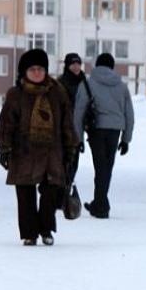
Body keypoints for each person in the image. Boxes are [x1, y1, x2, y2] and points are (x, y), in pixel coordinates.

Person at [0, 49, 78, 246]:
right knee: (25, 195)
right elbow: (6, 123)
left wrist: (71, 146)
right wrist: (4, 147)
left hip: (52, 151)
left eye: (40, 69)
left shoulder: (57, 92)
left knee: (50, 194)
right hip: (24, 151)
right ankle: (29, 233)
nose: (37, 73)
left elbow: (67, 121)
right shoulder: (16, 94)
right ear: (24, 71)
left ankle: (46, 229)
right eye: (32, 69)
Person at [73, 53, 134, 219]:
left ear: (96, 65)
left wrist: (78, 138)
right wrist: (126, 139)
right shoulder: (121, 86)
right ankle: (101, 203)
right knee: (107, 167)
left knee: (100, 167)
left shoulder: (88, 84)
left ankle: (100, 205)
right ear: (112, 66)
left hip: (96, 129)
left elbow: (78, 112)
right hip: (115, 130)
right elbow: (129, 113)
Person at [57, 53, 87, 193]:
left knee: (74, 162)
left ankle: (66, 189)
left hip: (78, 127)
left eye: (78, 64)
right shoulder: (60, 82)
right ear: (67, 65)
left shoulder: (84, 82)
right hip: (63, 127)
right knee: (63, 161)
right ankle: (61, 190)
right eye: (73, 64)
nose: (76, 67)